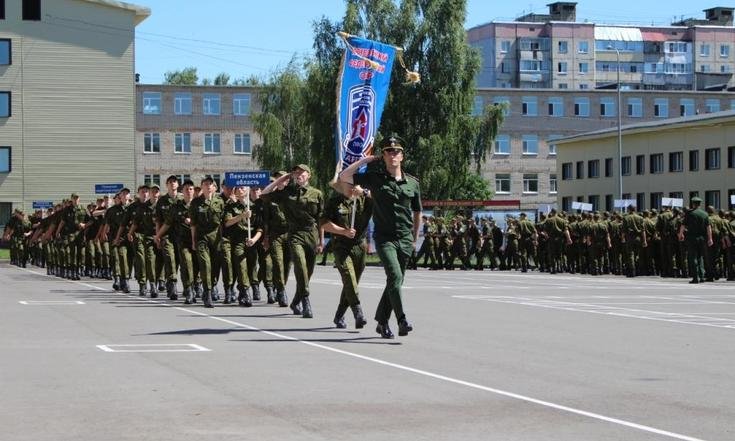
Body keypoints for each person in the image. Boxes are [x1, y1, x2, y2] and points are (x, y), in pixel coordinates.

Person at [339, 136, 421, 338]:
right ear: (383, 156)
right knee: (394, 276)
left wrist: (414, 239)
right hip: (385, 239)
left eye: (396, 152)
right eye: (388, 152)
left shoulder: (413, 183)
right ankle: (401, 319)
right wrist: (365, 160)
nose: (393, 155)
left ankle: (382, 321)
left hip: (404, 238)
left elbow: (417, 212)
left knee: (396, 281)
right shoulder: (375, 178)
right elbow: (344, 176)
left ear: (402, 156)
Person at [261, 164, 323, 318]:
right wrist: (282, 178)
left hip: (311, 234)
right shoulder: (286, 192)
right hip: (294, 234)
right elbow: (264, 194)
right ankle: (306, 301)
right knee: (300, 267)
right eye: (296, 173)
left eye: (302, 172)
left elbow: (321, 219)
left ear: (309, 175)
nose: (299, 175)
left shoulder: (317, 193)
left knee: (308, 272)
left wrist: (321, 241)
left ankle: (296, 300)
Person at [320, 185, 373, 329]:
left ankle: (339, 314)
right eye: (347, 183)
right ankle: (358, 312)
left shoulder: (364, 199)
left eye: (354, 183)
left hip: (359, 246)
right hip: (341, 245)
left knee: (352, 282)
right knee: (349, 277)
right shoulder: (335, 201)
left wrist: (365, 192)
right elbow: (324, 223)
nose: (351, 186)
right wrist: (343, 231)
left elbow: (381, 201)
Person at [223, 186, 264, 306]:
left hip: (251, 241)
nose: (240, 190)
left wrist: (254, 239)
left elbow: (260, 228)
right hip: (237, 241)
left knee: (251, 268)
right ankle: (246, 293)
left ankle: (242, 290)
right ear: (234, 192)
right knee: (241, 266)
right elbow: (227, 222)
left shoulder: (254, 207)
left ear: (247, 190)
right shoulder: (231, 207)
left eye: (242, 188)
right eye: (237, 189)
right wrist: (242, 216)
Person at [190, 176, 225, 308]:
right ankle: (207, 292)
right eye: (205, 184)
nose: (208, 186)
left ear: (214, 187)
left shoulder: (220, 202)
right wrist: (193, 240)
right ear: (202, 187)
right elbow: (193, 224)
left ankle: (212, 285)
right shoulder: (195, 203)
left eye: (210, 184)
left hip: (216, 238)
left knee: (215, 266)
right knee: (206, 264)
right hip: (201, 237)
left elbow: (222, 223)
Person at [155, 175, 182, 299]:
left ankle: (188, 286)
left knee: (180, 260)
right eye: (170, 182)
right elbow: (158, 221)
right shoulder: (162, 200)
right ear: (167, 185)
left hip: (182, 234)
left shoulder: (182, 198)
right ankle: (172, 285)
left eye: (174, 182)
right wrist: (158, 236)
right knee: (170, 259)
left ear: (178, 184)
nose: (172, 184)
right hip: (167, 235)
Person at [678, 197, 713, 284]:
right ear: (699, 204)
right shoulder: (705, 214)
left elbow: (683, 225)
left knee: (693, 257)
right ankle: (701, 276)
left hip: (692, 238)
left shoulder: (689, 213)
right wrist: (710, 238)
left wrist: (680, 234)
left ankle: (695, 277)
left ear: (693, 203)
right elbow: (708, 228)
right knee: (700, 257)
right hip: (702, 238)